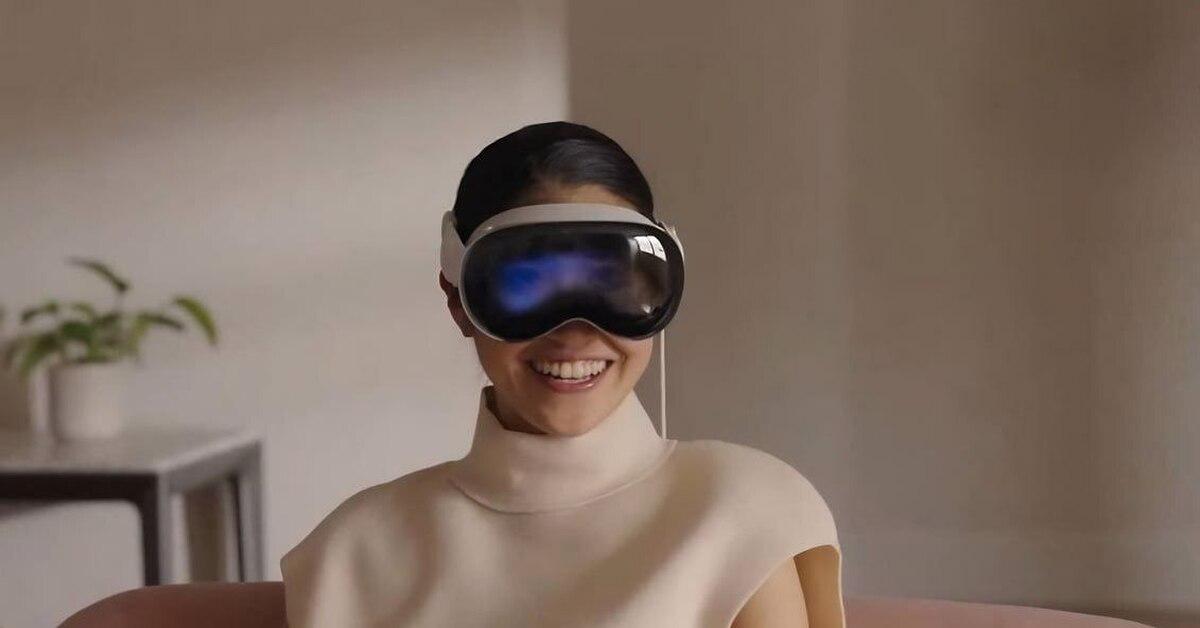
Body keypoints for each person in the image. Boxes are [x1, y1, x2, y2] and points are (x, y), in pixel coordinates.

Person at [279, 121, 846, 627]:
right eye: (528, 285)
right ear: (458, 299)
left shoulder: (743, 512)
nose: (575, 333)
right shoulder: (352, 554)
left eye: (613, 285)